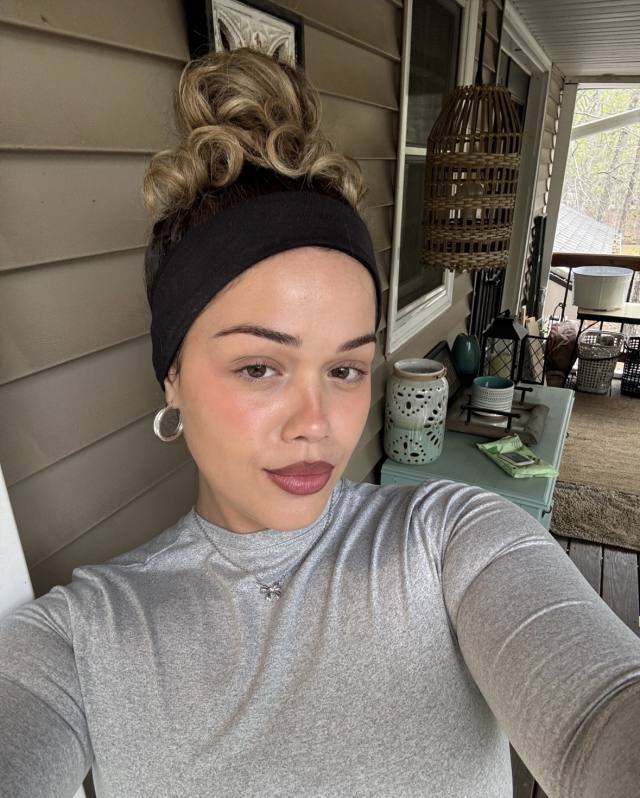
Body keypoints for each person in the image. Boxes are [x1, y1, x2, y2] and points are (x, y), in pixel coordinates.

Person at [1, 46, 639, 798]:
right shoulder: (79, 641)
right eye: (259, 368)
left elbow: (601, 714)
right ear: (172, 377)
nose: (318, 424)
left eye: (345, 369)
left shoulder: (451, 542)